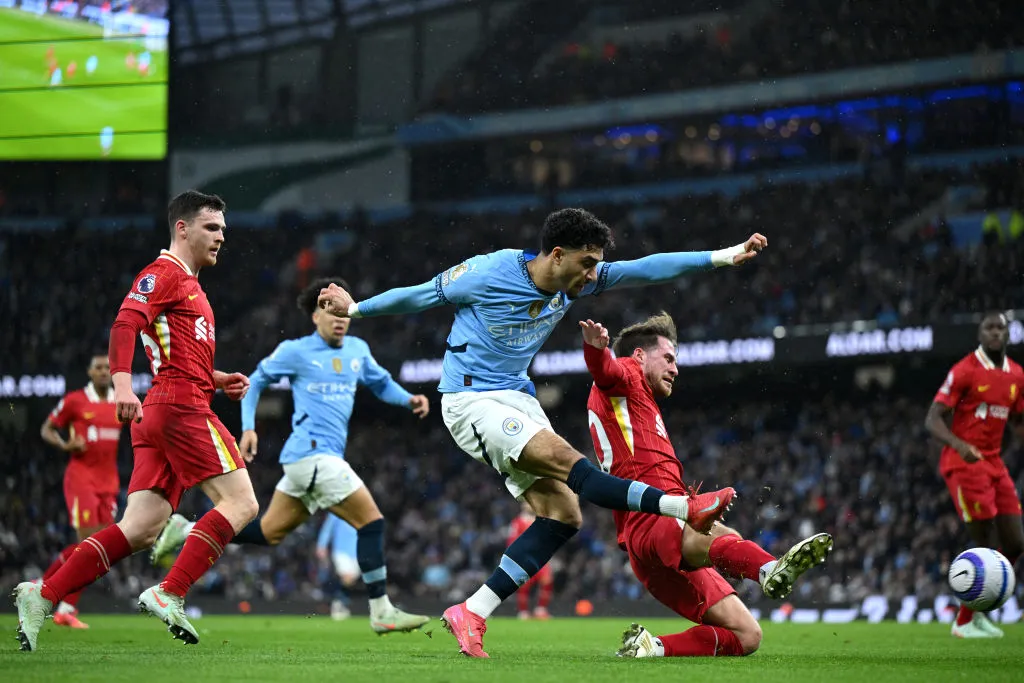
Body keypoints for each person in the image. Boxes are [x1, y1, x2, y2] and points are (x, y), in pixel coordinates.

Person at [317, 207, 764, 657]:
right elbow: (422, 295)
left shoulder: (576, 280)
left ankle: (471, 611)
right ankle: (682, 508)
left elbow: (648, 269)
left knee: (564, 515)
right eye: (586, 264)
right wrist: (354, 308)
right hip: (471, 399)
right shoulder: (488, 271)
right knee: (570, 462)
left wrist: (726, 256)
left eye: (596, 265)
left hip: (517, 398)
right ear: (556, 255)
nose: (592, 276)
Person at [14, 190, 258, 651]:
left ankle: (43, 595)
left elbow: (175, 356)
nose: (222, 237)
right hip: (180, 408)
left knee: (141, 529)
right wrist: (123, 386)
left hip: (166, 409)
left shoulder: (190, 284)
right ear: (181, 228)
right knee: (242, 504)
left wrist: (217, 377)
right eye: (212, 227)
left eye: (224, 229)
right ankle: (170, 591)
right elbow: (125, 323)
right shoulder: (163, 273)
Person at [149, 277, 430, 633]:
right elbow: (255, 382)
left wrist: (408, 399)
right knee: (371, 522)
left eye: (343, 309)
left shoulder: (357, 350)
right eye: (330, 309)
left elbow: (380, 383)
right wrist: (248, 428)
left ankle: (185, 529)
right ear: (315, 316)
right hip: (314, 456)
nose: (340, 317)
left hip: (308, 464)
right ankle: (381, 610)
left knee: (267, 533)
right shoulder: (295, 351)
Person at [580, 314, 833, 658]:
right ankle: (768, 570)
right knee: (705, 526)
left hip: (648, 541)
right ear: (639, 356)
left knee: (747, 635)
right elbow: (604, 371)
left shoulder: (638, 399)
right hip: (654, 516)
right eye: (668, 359)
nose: (675, 369)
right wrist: (596, 351)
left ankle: (649, 648)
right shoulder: (626, 373)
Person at [925, 311, 1024, 639]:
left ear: (1008, 334)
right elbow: (933, 419)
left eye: (1000, 328)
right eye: (989, 328)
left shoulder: (1017, 375)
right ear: (980, 334)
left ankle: (975, 612)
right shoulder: (965, 370)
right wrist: (958, 443)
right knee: (988, 542)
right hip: (963, 464)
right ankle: (965, 620)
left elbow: (1018, 419)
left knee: (1015, 544)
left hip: (995, 464)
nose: (995, 333)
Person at [39, 354, 122, 629]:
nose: (103, 372)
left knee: (100, 551)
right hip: (81, 479)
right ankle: (55, 600)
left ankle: (48, 593)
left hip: (109, 483)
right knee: (88, 545)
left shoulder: (122, 401)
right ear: (89, 371)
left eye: (107, 368)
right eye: (97, 368)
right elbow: (47, 429)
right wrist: (64, 445)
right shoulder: (75, 401)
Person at [507, 502, 553, 620]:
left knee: (547, 581)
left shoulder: (541, 520)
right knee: (524, 585)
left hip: (540, 558)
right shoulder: (517, 522)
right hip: (524, 559)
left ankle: (541, 610)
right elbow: (512, 540)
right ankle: (523, 612)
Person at [316, 514, 360, 621]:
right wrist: (321, 545)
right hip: (341, 550)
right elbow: (327, 529)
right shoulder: (336, 512)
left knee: (351, 580)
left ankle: (340, 601)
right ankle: (339, 603)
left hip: (357, 551)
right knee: (347, 577)